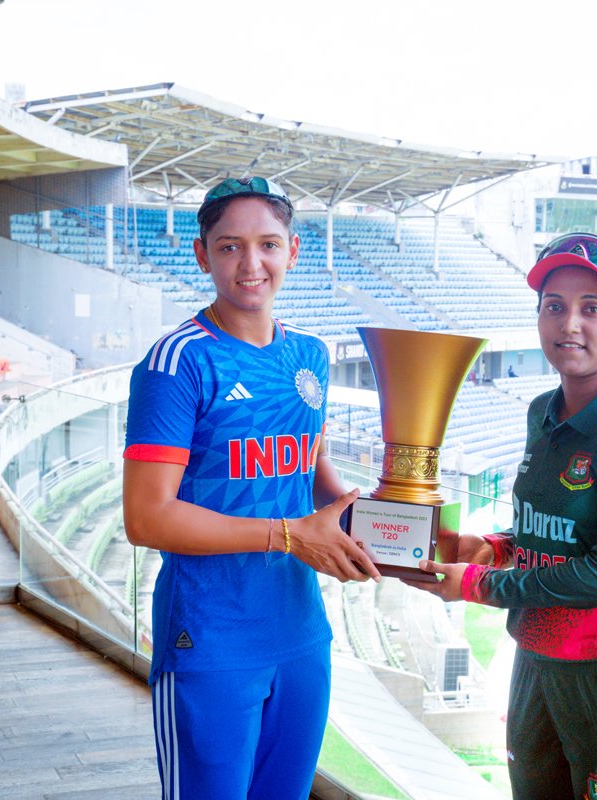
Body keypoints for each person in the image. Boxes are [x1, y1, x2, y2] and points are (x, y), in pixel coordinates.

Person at [122, 176, 380, 799]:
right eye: (231, 246)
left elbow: (308, 470)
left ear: (293, 252)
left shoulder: (311, 356)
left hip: (299, 634)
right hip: (210, 636)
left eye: (268, 244)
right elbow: (146, 517)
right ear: (203, 254)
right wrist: (289, 535)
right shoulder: (177, 362)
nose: (251, 263)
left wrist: (382, 529)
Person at [408, 233, 597, 800]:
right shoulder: (542, 411)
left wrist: (478, 584)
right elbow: (551, 534)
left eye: (593, 308)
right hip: (537, 661)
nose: (569, 325)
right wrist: (489, 548)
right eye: (554, 306)